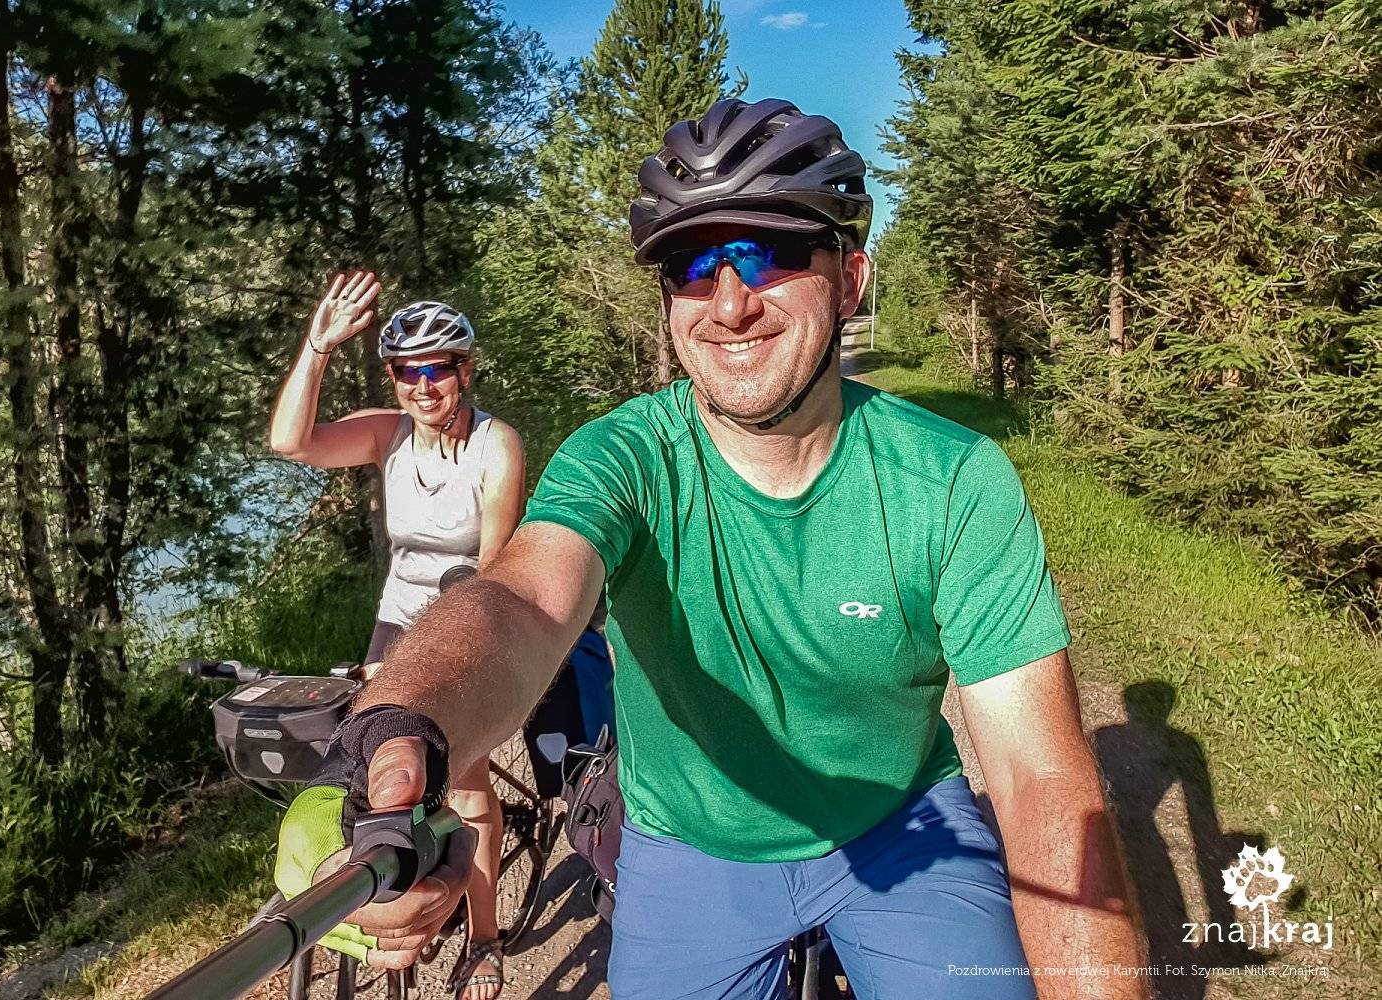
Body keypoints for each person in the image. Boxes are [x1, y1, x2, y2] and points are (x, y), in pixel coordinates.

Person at [281, 99, 1149, 999]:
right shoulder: (623, 456)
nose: (730, 303)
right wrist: (403, 725)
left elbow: (1041, 777)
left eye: (769, 253)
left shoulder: (952, 479)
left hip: (902, 824)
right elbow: (524, 598)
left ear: (850, 280)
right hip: (687, 848)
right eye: (693, 266)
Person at [268, 273, 525, 1000]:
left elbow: (493, 568)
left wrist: (438, 660)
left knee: (463, 782)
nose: (423, 386)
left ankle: (483, 940)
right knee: (372, 773)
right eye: (408, 372)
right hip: (395, 624)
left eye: (437, 368)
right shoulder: (389, 434)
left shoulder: (497, 446)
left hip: (470, 621)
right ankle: (404, 891)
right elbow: (291, 442)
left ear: (464, 372)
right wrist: (319, 344)